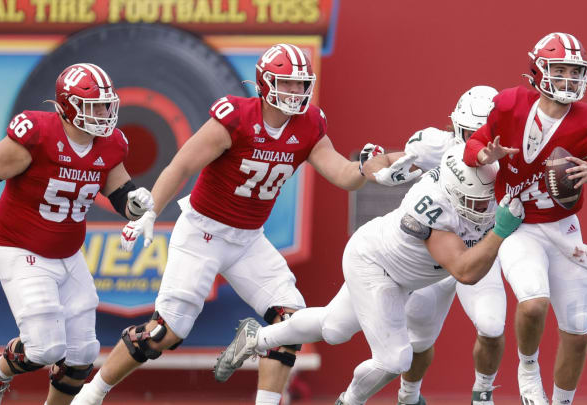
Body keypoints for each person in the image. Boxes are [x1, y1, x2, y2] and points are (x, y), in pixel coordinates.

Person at [71, 43, 393, 405]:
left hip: (249, 240)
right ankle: (91, 395)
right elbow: (182, 165)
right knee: (166, 331)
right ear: (266, 83)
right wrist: (151, 211)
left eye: (301, 84)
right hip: (202, 233)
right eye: (287, 84)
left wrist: (366, 168)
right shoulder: (237, 117)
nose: (297, 92)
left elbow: (342, 174)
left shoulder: (309, 124)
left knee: (291, 322)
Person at [212, 143, 526, 405]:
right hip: (377, 264)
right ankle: (349, 401)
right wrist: (499, 231)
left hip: (404, 272)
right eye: (474, 202)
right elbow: (464, 271)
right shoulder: (432, 207)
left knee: (334, 328)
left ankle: (258, 338)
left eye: (486, 200)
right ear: (454, 191)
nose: (482, 207)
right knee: (394, 359)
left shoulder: (480, 175)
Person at [0, 63, 154, 405]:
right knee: (44, 348)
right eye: (94, 105)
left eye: (106, 103)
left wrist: (136, 205)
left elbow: (120, 196)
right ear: (69, 107)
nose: (104, 112)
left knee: (82, 354)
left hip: (68, 253)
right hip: (22, 248)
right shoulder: (38, 134)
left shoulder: (111, 143)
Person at [462, 32, 587, 405]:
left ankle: (561, 402)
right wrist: (485, 156)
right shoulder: (510, 104)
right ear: (538, 70)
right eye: (559, 69)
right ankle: (528, 367)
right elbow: (473, 145)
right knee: (532, 302)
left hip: (563, 228)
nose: (568, 79)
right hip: (518, 224)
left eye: (574, 72)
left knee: (577, 331)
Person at [379, 85, 504, 405]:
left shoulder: (510, 157)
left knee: (491, 326)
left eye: (488, 133)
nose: (479, 143)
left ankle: (483, 394)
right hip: (433, 253)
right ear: (456, 126)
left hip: (479, 249)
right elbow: (398, 164)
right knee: (419, 340)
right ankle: (409, 396)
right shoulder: (437, 145)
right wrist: (376, 168)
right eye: (471, 132)